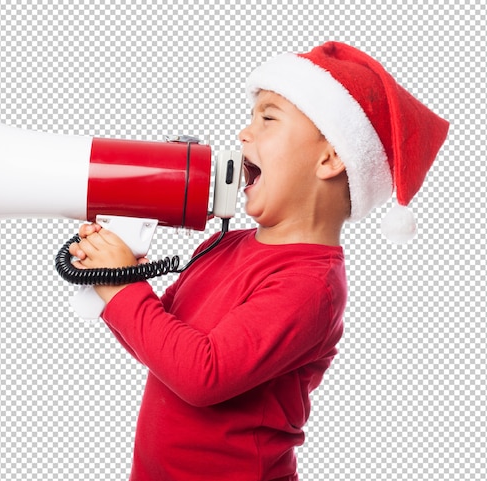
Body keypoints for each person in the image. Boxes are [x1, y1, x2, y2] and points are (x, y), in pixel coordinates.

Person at [69, 41, 449, 481]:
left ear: (329, 158)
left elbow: (200, 375)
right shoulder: (226, 246)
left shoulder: (311, 285)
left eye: (268, 118)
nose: (243, 134)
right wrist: (116, 276)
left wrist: (122, 286)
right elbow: (159, 346)